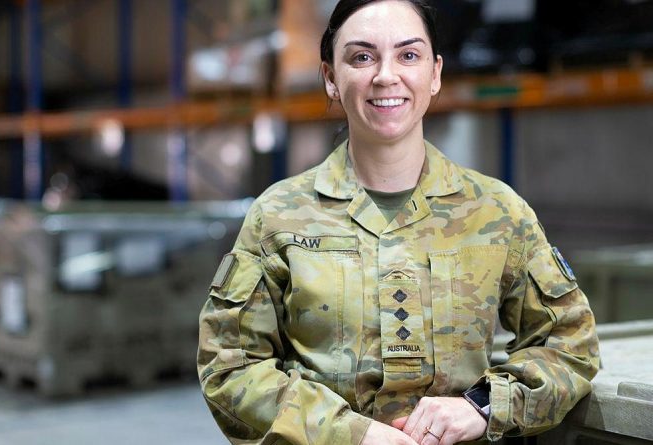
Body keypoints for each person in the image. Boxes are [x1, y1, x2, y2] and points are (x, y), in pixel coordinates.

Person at [197, 1, 600, 444]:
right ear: (331, 78)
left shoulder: (497, 212)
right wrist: (351, 435)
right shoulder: (278, 216)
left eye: (408, 55)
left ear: (435, 74)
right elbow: (230, 366)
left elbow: (570, 342)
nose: (386, 75)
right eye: (362, 57)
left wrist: (484, 404)